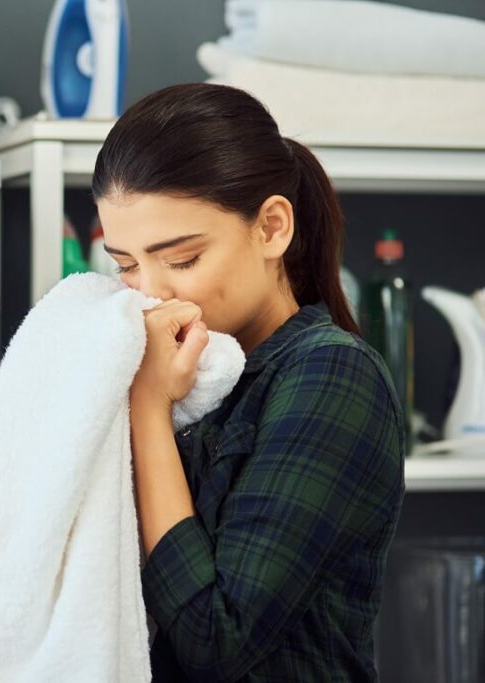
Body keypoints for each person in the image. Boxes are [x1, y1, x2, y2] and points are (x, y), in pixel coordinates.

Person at [92, 83, 406, 681]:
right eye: (126, 264)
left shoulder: (332, 373)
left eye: (181, 259)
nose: (151, 293)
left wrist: (148, 409)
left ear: (271, 228)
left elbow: (218, 639)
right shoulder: (190, 369)